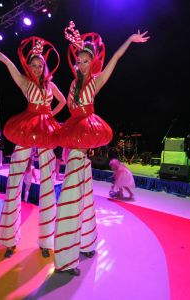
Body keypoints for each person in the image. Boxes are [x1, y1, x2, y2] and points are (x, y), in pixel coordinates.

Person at [54, 21, 150, 275]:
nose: (82, 64)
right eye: (79, 61)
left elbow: (115, 59)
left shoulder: (95, 82)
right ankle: (64, 260)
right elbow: (73, 117)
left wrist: (129, 39)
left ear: (92, 62)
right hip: (74, 152)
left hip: (83, 155)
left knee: (85, 201)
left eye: (86, 60)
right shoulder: (73, 85)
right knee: (70, 202)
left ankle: (86, 244)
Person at [0, 36, 66, 258]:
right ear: (29, 66)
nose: (37, 68)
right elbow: (9, 63)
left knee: (48, 183)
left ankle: (46, 241)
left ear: (44, 67)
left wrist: (50, 116)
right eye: (34, 65)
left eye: (40, 65)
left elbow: (63, 101)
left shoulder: (50, 85)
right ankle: (10, 239)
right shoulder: (24, 82)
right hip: (27, 128)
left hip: (46, 130)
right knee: (14, 180)